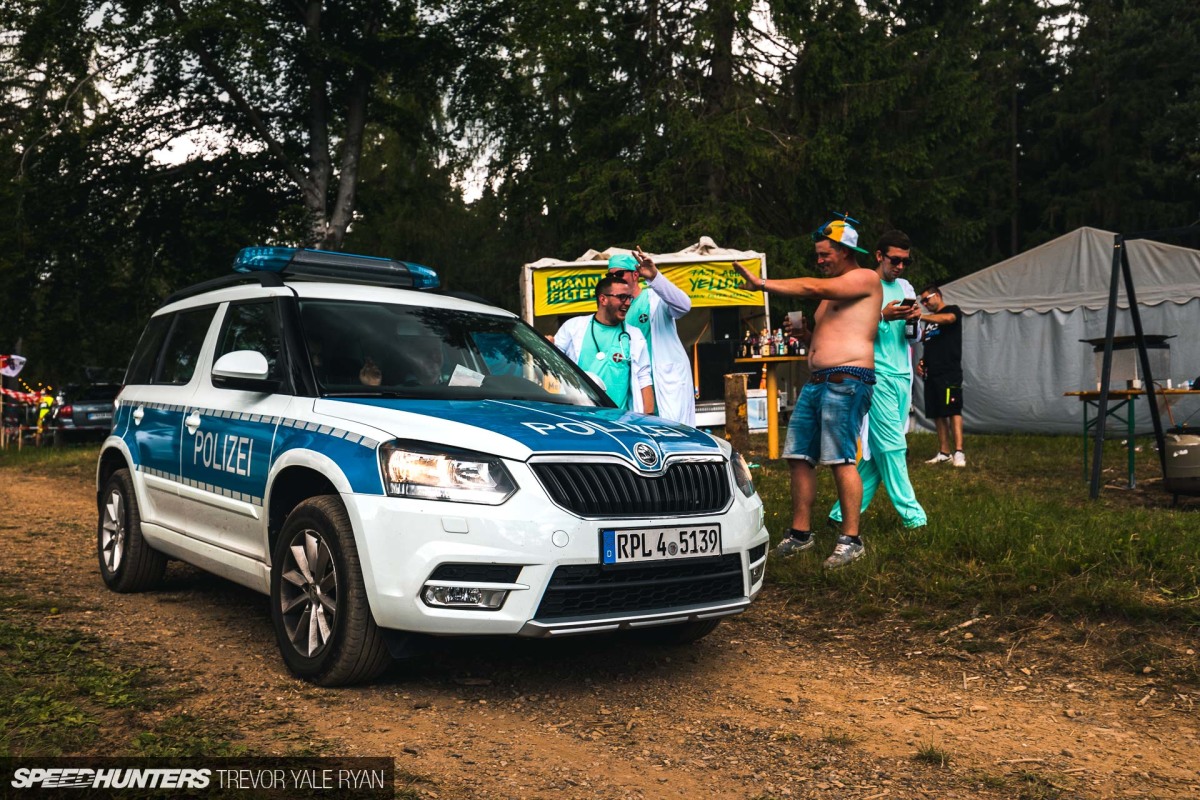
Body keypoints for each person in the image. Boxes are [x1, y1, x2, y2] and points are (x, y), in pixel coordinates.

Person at [733, 217, 882, 569]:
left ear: (845, 251)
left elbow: (812, 287)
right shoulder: (832, 293)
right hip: (818, 382)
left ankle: (851, 540)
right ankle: (801, 534)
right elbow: (831, 336)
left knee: (841, 458)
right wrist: (806, 338)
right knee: (798, 456)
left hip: (847, 380)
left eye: (825, 254)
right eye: (818, 254)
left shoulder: (865, 278)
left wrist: (761, 284)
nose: (819, 260)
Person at [828, 230, 927, 529]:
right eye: (895, 260)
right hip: (875, 375)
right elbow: (849, 330)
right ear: (879, 255)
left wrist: (914, 321)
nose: (900, 267)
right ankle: (914, 517)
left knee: (877, 453)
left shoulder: (906, 287)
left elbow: (913, 338)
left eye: (906, 262)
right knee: (893, 447)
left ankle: (839, 514)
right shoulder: (866, 285)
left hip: (902, 376)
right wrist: (882, 316)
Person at [608, 249, 695, 425]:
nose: (614, 279)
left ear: (635, 275)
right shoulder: (617, 311)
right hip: (637, 386)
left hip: (665, 381)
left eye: (619, 274)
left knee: (673, 433)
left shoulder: (655, 298)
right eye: (610, 276)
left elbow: (684, 306)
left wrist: (655, 277)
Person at [554, 276, 655, 413]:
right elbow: (552, 363)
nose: (627, 303)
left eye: (629, 298)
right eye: (622, 297)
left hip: (619, 419)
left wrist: (648, 416)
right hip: (580, 415)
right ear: (603, 299)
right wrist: (547, 347)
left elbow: (644, 377)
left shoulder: (635, 336)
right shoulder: (572, 327)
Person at [916, 284, 965, 467]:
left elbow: (948, 319)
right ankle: (944, 452)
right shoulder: (929, 323)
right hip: (932, 373)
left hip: (949, 371)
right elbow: (930, 344)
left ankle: (959, 452)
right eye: (922, 302)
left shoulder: (952, 310)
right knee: (937, 412)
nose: (925, 304)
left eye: (926, 299)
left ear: (937, 295)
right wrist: (922, 362)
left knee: (953, 410)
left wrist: (919, 316)